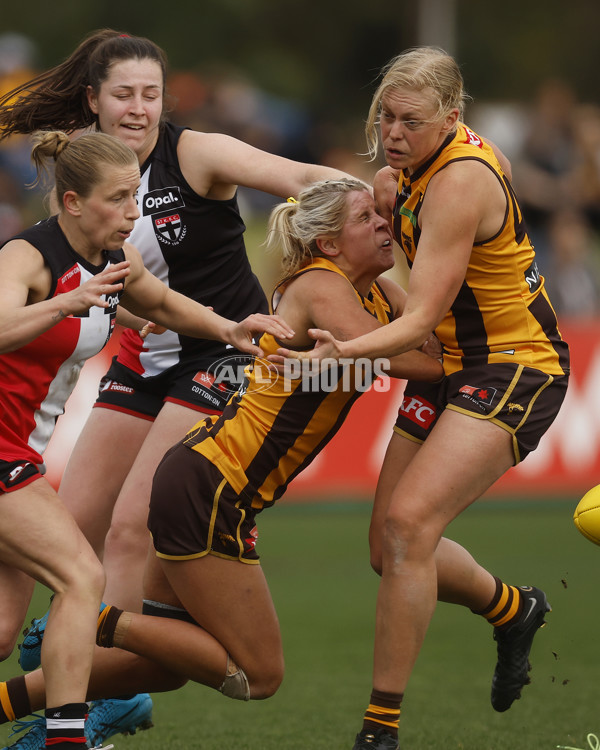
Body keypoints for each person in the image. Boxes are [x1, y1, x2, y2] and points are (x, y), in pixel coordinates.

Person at [0, 27, 361, 735]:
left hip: (221, 356)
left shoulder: (194, 152)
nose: (140, 108)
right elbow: (121, 295)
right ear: (92, 101)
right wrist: (75, 306)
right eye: (125, 94)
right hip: (148, 360)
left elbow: (296, 178)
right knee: (70, 535)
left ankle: (89, 707)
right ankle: (99, 673)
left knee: (129, 534)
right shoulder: (80, 181)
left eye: (152, 95)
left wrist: (382, 200)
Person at [0, 178, 444, 750]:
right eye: (368, 217)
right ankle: (97, 622)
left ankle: (19, 697)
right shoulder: (323, 285)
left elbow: (429, 340)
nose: (385, 223)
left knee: (164, 665)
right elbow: (429, 362)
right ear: (330, 244)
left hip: (202, 480)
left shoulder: (375, 291)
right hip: (214, 489)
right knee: (260, 675)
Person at [274, 48, 571, 750]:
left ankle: (379, 733)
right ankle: (513, 608)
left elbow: (416, 319)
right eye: (386, 115)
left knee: (409, 528)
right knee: (387, 546)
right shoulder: (396, 177)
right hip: (452, 367)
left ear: (452, 118)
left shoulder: (461, 181)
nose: (395, 131)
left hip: (514, 366)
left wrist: (342, 351)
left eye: (411, 119)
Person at [0, 128, 295, 750]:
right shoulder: (28, 257)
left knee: (4, 630)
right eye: (119, 200)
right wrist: (66, 303)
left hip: (16, 452)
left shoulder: (111, 263)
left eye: (137, 196)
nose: (135, 213)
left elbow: (161, 303)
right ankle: (65, 739)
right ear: (73, 202)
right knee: (82, 578)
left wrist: (231, 329)